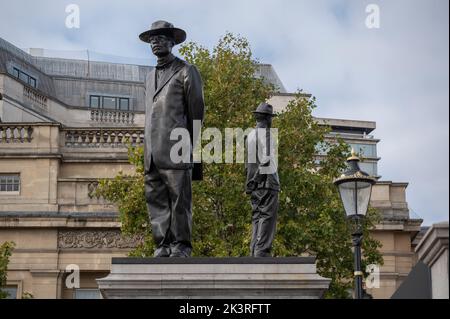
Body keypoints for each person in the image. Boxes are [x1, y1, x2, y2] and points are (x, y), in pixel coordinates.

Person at [139, 20, 205, 257]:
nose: (155, 42)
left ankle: (181, 246)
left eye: (161, 38)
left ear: (172, 41)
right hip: (152, 154)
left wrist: (192, 149)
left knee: (179, 201)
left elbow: (197, 113)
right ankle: (162, 245)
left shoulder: (187, 71)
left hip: (178, 148)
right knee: (155, 200)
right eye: (152, 39)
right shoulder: (147, 79)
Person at [245, 102, 280, 257]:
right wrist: (258, 179)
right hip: (267, 182)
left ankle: (254, 250)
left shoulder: (250, 135)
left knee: (257, 217)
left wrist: (250, 183)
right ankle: (262, 251)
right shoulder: (266, 134)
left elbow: (247, 164)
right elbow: (266, 159)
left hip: (254, 186)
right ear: (267, 118)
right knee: (267, 216)